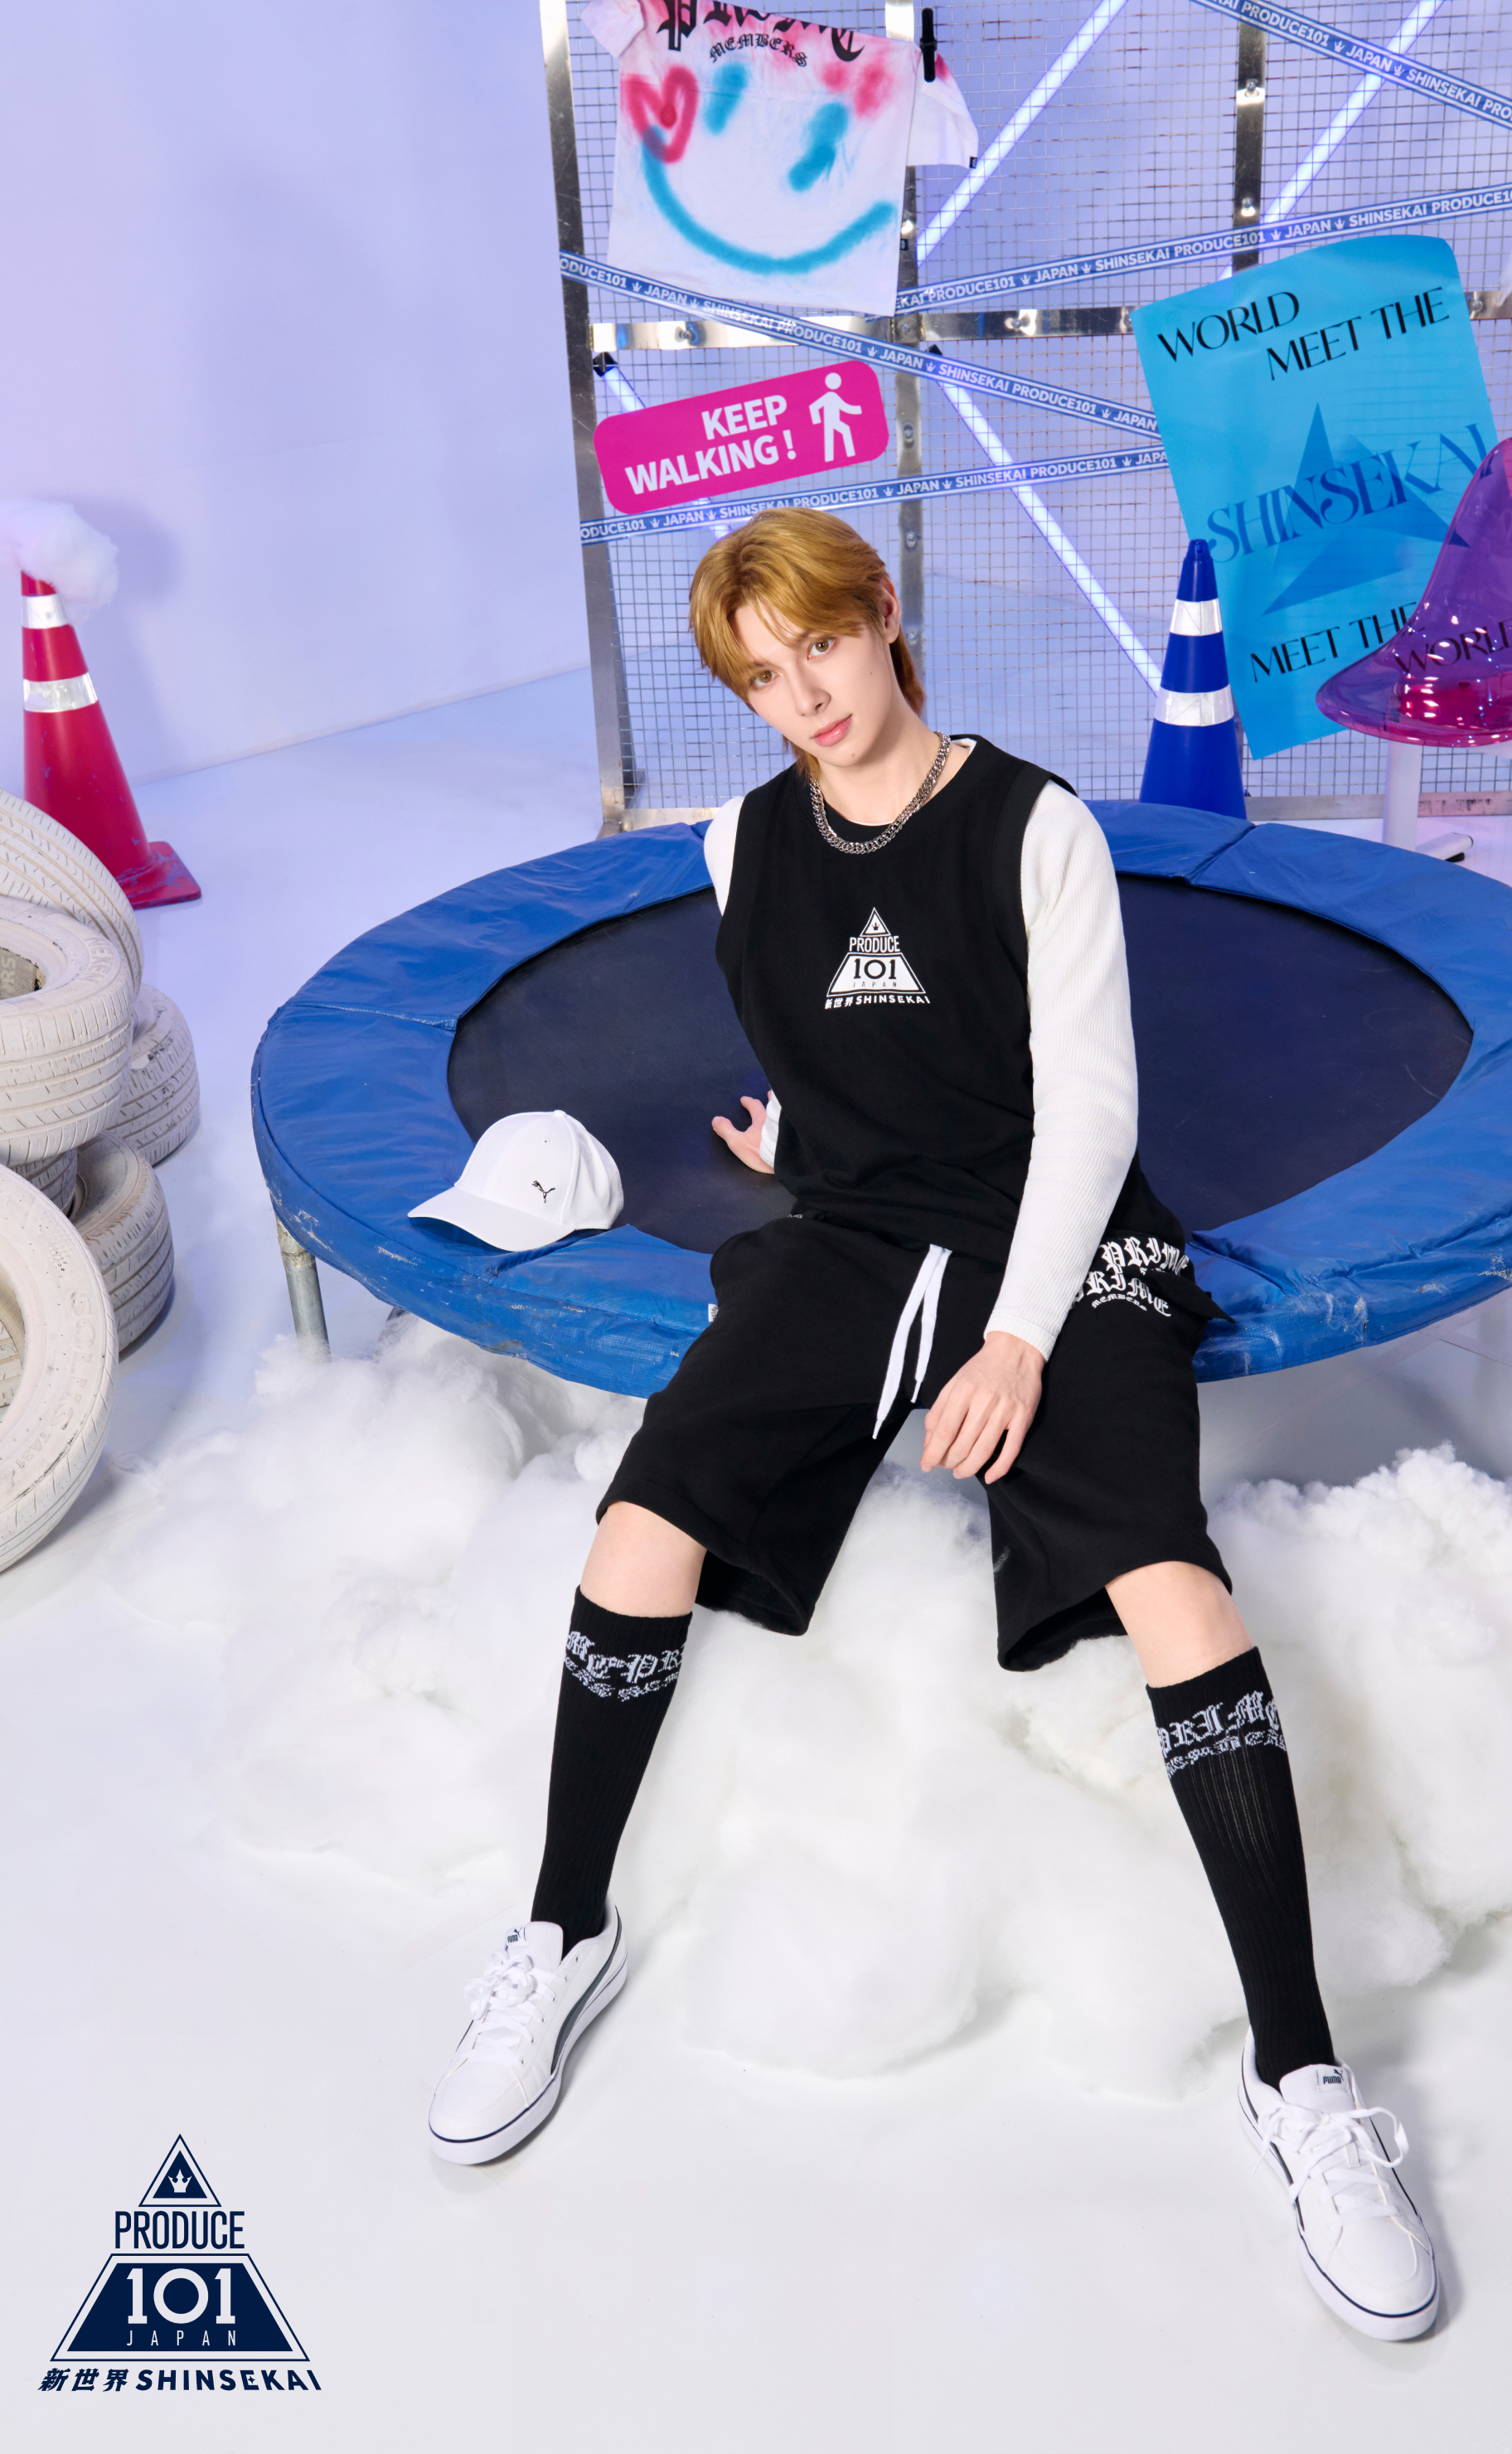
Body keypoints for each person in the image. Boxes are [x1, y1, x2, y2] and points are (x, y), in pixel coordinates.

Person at [427, 508, 1438, 2343]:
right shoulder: (737, 845)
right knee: (639, 1528)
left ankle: (1301, 2079)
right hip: (859, 1229)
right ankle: (562, 1932)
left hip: (1070, 1232)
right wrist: (805, 1143)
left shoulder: (1037, 828)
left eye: (820, 646)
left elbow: (1090, 1110)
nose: (803, 697)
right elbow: (853, 1042)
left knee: (1171, 1587)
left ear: (882, 615)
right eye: (762, 677)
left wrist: (1023, 1341)